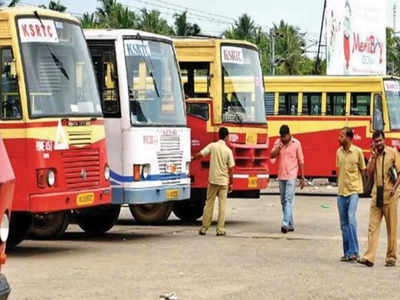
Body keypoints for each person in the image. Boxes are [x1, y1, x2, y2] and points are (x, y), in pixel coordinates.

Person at [358, 130, 400, 267]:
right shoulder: (373, 156)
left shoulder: (393, 153)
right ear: (373, 143)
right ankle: (369, 257)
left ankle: (391, 257)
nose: (379, 143)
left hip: (390, 195)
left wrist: (395, 188)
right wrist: (373, 157)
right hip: (377, 195)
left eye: (380, 140)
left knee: (391, 227)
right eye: (376, 141)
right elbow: (368, 174)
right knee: (372, 227)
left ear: (384, 140)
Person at [192, 127, 235, 236]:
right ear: (226, 137)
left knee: (209, 203)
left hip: (213, 181)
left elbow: (201, 154)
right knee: (222, 206)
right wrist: (231, 182)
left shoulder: (213, 146)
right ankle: (220, 229)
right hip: (223, 182)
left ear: (218, 136)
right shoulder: (228, 151)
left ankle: (204, 228)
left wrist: (191, 158)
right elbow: (231, 168)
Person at [336, 127, 366, 262]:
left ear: (348, 138)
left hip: (354, 191)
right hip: (341, 192)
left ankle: (355, 251)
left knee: (351, 219)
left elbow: (363, 171)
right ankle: (347, 252)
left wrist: (364, 188)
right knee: (343, 224)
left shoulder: (358, 152)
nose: (339, 138)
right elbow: (339, 171)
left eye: (341, 136)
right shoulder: (338, 152)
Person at [270, 125, 305, 233]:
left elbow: (301, 161)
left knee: (289, 199)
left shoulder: (296, 144)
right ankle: (291, 224)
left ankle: (285, 223)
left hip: (291, 176)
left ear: (289, 134)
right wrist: (279, 147)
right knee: (283, 201)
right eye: (282, 137)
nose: (283, 139)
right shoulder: (278, 142)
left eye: (285, 137)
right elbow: (272, 155)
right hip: (281, 176)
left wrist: (302, 177)